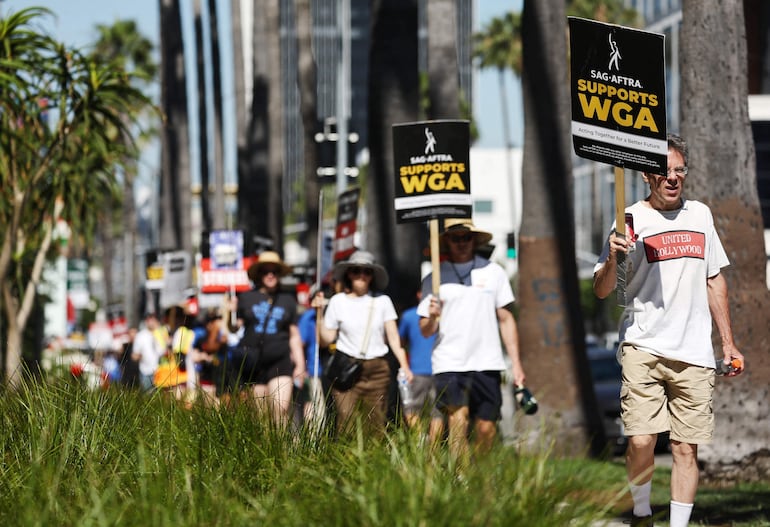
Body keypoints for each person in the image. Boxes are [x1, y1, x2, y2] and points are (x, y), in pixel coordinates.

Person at [593, 134, 744, 527]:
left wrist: (728, 343)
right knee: (641, 440)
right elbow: (603, 289)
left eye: (680, 170)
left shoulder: (701, 215)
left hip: (693, 351)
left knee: (684, 448)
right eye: (665, 171)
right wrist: (613, 256)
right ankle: (642, 510)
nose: (673, 178)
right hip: (643, 344)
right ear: (647, 174)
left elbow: (715, 281)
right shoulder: (628, 218)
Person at [417, 218, 526, 459]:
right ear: (447, 241)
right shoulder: (433, 279)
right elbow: (425, 329)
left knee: (486, 428)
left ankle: (478, 473)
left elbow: (506, 320)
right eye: (455, 238)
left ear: (474, 240)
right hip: (449, 362)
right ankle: (462, 480)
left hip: (488, 361)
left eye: (466, 237)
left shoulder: (493, 272)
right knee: (458, 421)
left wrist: (516, 364)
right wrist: (432, 317)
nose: (461, 242)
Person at [314, 250, 413, 435]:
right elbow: (325, 340)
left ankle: (370, 463)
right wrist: (319, 314)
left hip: (377, 370)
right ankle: (346, 463)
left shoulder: (382, 301)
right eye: (356, 271)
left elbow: (393, 338)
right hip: (346, 368)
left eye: (367, 272)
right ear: (348, 274)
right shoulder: (338, 301)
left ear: (372, 276)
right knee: (346, 422)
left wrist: (405, 366)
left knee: (375, 424)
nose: (361, 276)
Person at [230, 251, 306, 426]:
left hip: (280, 360)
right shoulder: (246, 298)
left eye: (274, 271)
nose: (270, 275)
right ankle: (265, 451)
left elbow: (294, 335)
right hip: (253, 362)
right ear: (259, 274)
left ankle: (282, 452)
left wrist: (300, 365)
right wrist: (228, 312)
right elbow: (233, 327)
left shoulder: (288, 300)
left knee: (280, 409)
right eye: (265, 271)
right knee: (261, 417)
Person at [398, 288, 443, 443]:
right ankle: (433, 453)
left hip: (416, 371)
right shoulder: (443, 316)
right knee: (437, 413)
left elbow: (400, 343)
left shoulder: (408, 316)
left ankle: (420, 442)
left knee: (411, 409)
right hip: (438, 369)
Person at [131, 312, 167, 392]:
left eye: (152, 319)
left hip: (161, 370)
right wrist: (140, 357)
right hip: (146, 371)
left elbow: (166, 349)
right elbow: (135, 354)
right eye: (148, 319)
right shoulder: (141, 336)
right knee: (148, 396)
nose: (150, 321)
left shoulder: (162, 332)